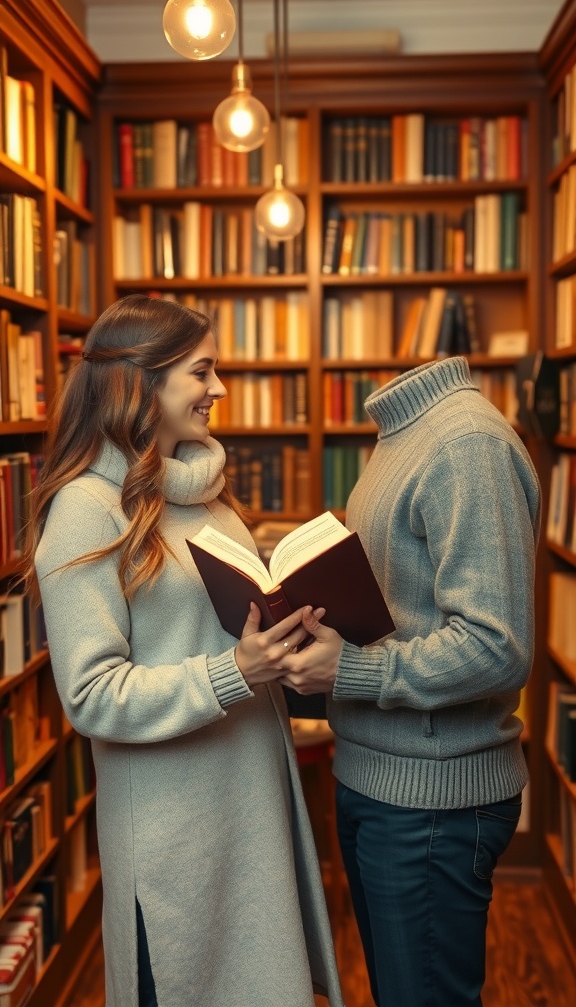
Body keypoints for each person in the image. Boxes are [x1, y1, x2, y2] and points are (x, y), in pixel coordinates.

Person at [21, 293, 345, 1007]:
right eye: (202, 372)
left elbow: (223, 628)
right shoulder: (84, 511)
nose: (219, 390)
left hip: (251, 803)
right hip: (177, 835)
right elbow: (92, 695)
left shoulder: (206, 494)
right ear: (144, 382)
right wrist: (235, 671)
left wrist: (293, 640)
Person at [280, 356, 541, 1007]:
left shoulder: (464, 443)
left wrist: (351, 668)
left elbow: (497, 646)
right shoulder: (402, 435)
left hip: (432, 798)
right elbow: (405, 605)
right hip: (378, 776)